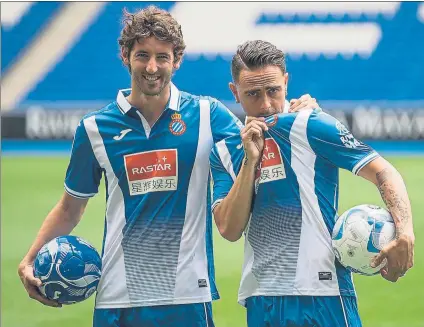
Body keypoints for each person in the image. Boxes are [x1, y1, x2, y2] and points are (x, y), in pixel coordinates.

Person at [17, 6, 318, 327]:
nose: (151, 66)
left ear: (177, 60)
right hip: (118, 300)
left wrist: (301, 114)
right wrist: (31, 258)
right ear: (125, 55)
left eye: (162, 56)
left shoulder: (207, 115)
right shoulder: (94, 129)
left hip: (187, 297)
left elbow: (263, 139)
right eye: (142, 55)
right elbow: (69, 209)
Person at [210, 40, 415, 327]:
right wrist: (250, 160)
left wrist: (405, 233)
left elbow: (384, 172)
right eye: (253, 94)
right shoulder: (224, 150)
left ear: (286, 81)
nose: (266, 104)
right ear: (234, 92)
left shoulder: (311, 125)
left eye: (273, 91)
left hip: (323, 295)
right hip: (262, 299)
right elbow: (228, 229)